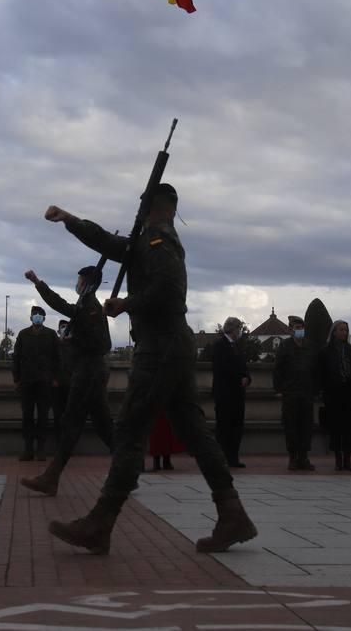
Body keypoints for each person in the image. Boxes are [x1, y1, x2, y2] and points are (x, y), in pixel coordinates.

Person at [42, 187, 256, 555]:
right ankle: (232, 512)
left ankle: (100, 523)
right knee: (193, 430)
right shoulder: (147, 241)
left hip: (160, 349)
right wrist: (72, 221)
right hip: (171, 347)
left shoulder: (159, 240)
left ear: (154, 206)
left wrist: (127, 303)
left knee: (129, 430)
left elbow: (170, 292)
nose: (138, 210)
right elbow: (110, 243)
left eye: (142, 204)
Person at [20, 266, 115, 496]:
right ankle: (128, 470)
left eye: (80, 280)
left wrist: (37, 281)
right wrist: (75, 341)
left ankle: (51, 478)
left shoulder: (90, 307)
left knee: (73, 423)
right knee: (103, 427)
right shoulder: (87, 305)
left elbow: (102, 344)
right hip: (89, 372)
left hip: (89, 373)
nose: (78, 284)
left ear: (86, 284)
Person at [273, 314, 321, 471]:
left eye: (302, 328)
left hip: (307, 392)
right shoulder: (285, 346)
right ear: (291, 330)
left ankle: (304, 457)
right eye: (297, 328)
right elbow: (278, 369)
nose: (300, 330)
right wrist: (279, 389)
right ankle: (293, 457)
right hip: (290, 392)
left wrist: (316, 389)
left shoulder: (311, 346)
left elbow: (316, 369)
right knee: (291, 426)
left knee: (306, 426)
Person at [12, 305, 59, 462]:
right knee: (27, 415)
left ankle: (41, 449)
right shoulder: (23, 334)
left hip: (45, 382)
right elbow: (16, 358)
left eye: (39, 314)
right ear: (31, 317)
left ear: (44, 318)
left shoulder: (51, 335)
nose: (37, 316)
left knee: (43, 416)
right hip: (26, 381)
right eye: (34, 314)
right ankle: (28, 449)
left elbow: (58, 359)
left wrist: (55, 378)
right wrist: (16, 379)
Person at [321, 320, 351, 471]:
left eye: (346, 330)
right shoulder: (326, 351)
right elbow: (322, 372)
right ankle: (338, 457)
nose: (344, 332)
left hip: (349, 393)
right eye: (341, 330)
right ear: (334, 332)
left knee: (349, 427)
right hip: (333, 394)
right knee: (336, 427)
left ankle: (348, 458)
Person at [211, 316, 251, 469]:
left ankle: (233, 458)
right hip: (225, 394)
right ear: (232, 329)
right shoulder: (220, 345)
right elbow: (221, 369)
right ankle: (222, 458)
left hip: (238, 394)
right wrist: (238, 378)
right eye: (239, 328)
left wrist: (247, 377)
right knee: (224, 427)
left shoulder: (236, 345)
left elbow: (243, 365)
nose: (240, 331)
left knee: (236, 427)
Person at [53, 318, 74, 443]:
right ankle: (59, 443)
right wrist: (53, 378)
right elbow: (50, 363)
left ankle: (69, 443)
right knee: (58, 415)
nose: (65, 329)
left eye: (67, 326)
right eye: (62, 327)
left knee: (71, 415)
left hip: (73, 385)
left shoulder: (77, 346)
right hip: (57, 385)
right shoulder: (54, 345)